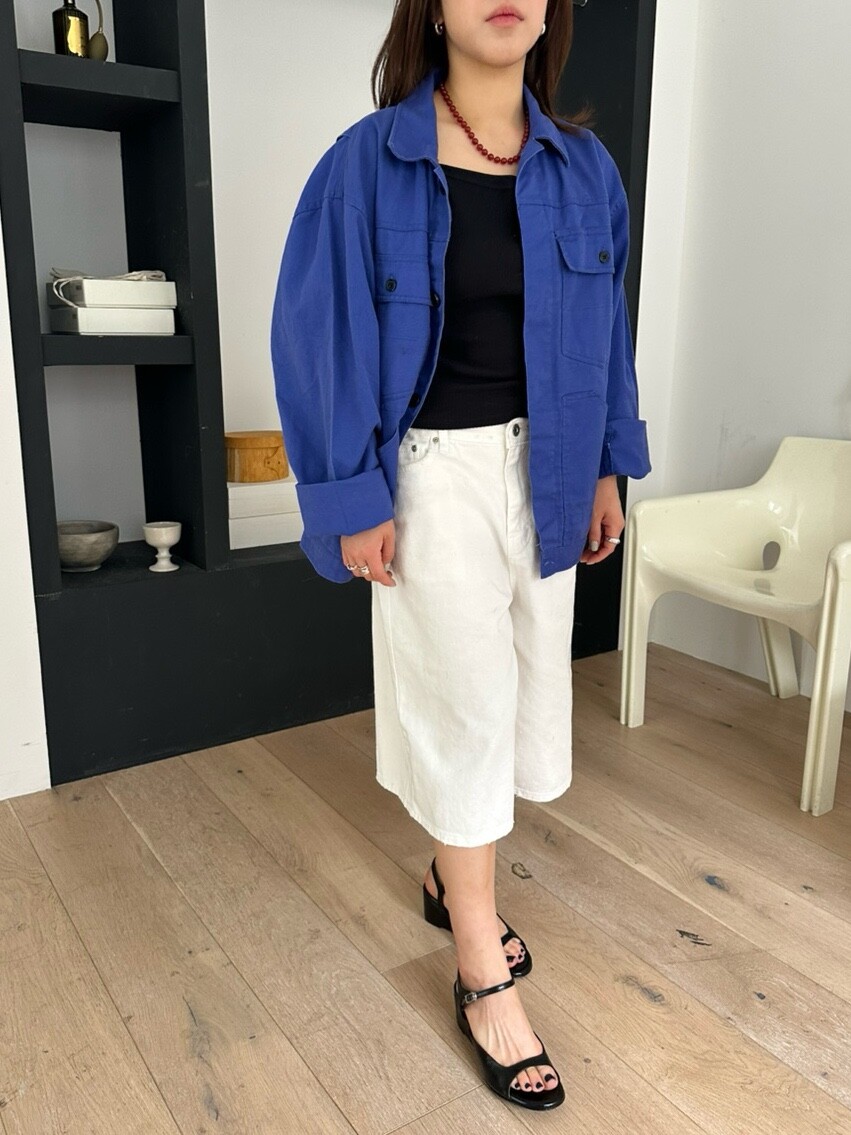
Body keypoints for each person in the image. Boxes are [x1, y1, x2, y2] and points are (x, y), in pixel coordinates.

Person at [271, 0, 650, 1112]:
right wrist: (352, 494)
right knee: (466, 706)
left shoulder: (583, 169)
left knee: (524, 695)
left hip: (552, 466)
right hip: (433, 476)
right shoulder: (364, 165)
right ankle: (480, 960)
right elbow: (317, 337)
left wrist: (605, 465)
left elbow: (606, 337)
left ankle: (449, 873)